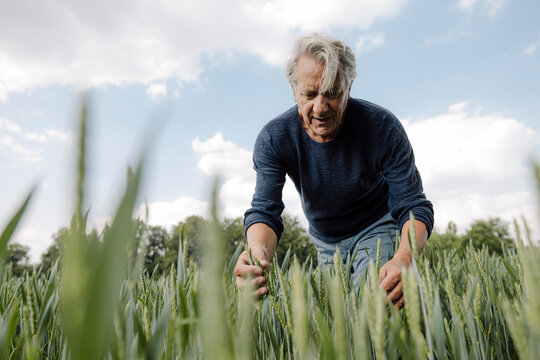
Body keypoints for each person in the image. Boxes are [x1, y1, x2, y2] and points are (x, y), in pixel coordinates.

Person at [233, 34, 434, 309]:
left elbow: (412, 205)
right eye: (309, 93)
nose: (320, 107)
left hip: (376, 227)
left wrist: (404, 258)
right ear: (294, 90)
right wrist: (257, 251)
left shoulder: (383, 127)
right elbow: (265, 209)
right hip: (324, 240)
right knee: (339, 321)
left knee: (374, 308)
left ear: (349, 87)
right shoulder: (274, 138)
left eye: (332, 93)